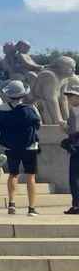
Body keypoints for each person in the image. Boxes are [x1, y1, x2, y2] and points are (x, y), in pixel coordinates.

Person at [0, 79, 42, 216]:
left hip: (11, 147)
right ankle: (31, 208)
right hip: (29, 146)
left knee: (13, 174)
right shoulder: (30, 109)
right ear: (23, 95)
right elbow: (38, 125)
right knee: (30, 176)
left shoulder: (1, 109)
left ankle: (11, 204)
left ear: (9, 95)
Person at [62, 77, 79, 215]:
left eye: (71, 96)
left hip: (77, 147)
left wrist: (66, 129)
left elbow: (74, 131)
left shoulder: (75, 111)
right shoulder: (74, 111)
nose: (69, 99)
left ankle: (77, 206)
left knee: (74, 177)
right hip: (75, 145)